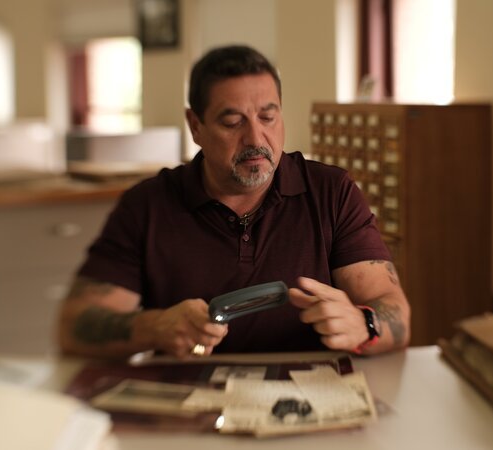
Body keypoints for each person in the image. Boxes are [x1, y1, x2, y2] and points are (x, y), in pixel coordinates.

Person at [56, 45, 410, 360]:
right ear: (195, 126)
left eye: (268, 117)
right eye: (232, 121)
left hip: (312, 397)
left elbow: (394, 312)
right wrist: (155, 327)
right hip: (188, 403)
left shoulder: (332, 192)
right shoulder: (147, 205)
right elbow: (74, 327)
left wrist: (364, 324)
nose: (256, 138)